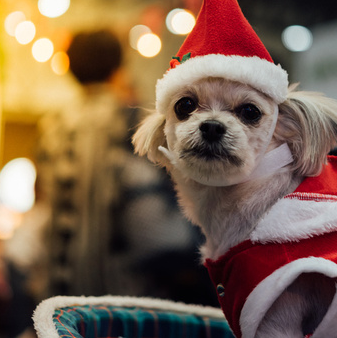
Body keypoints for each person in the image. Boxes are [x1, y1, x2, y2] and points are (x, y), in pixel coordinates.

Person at [36, 29, 213, 302]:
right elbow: (149, 218)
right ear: (117, 68)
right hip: (119, 295)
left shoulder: (51, 126)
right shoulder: (129, 121)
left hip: (63, 290)